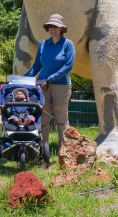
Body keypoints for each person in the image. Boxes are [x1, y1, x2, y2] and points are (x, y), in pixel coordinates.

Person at [25, 14, 75, 149]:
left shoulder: (68, 44)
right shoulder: (43, 45)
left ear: (61, 28)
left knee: (61, 119)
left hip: (61, 85)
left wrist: (49, 79)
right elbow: (37, 66)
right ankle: (42, 149)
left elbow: (68, 66)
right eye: (50, 26)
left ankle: (64, 150)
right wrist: (23, 79)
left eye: (56, 26)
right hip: (42, 85)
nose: (53, 29)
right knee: (43, 118)